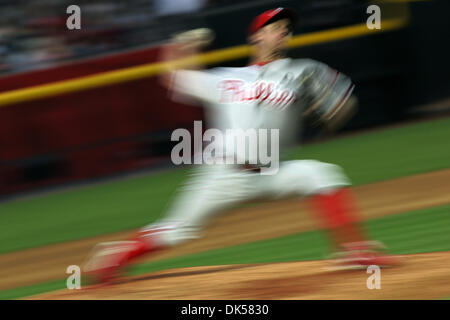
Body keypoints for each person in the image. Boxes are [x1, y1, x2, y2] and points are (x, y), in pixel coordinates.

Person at [84, 7, 398, 284]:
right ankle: (115, 257)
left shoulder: (302, 70)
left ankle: (353, 252)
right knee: (177, 230)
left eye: (286, 28)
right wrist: (181, 46)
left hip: (273, 173)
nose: (283, 32)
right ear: (256, 37)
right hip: (225, 174)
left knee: (323, 175)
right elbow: (173, 77)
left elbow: (341, 105)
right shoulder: (226, 78)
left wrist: (330, 103)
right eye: (274, 27)